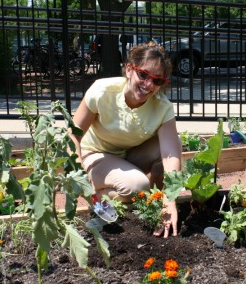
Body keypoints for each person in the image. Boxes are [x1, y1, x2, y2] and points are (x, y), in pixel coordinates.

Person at [71, 42, 181, 238]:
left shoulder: (162, 107)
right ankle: (95, 193)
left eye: (157, 81)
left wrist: (170, 199)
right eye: (144, 75)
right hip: (94, 154)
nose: (148, 85)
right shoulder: (103, 91)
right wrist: (78, 171)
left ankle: (148, 196)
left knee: (172, 147)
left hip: (125, 156)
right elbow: (73, 134)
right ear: (129, 69)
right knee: (137, 186)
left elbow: (171, 154)